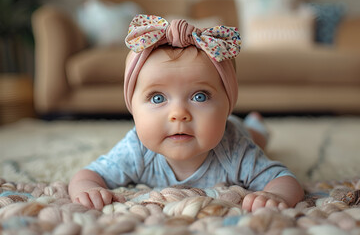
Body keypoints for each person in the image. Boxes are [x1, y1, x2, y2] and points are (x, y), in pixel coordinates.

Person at [69, 14, 304, 212]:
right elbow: (88, 175)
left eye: (200, 96)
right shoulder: (135, 150)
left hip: (237, 129)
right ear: (133, 108)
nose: (179, 114)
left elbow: (285, 181)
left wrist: (278, 196)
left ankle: (255, 124)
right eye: (157, 98)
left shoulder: (235, 149)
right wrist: (89, 190)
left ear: (228, 103)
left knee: (256, 137)